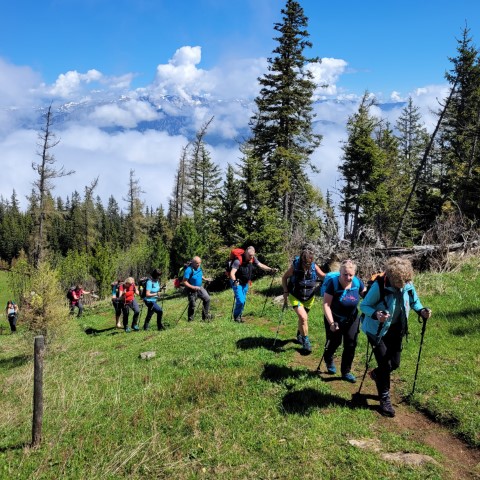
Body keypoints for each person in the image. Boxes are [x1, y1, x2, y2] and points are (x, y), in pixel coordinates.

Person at [360, 257, 432, 417]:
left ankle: (377, 375)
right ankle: (384, 399)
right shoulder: (380, 285)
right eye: (399, 281)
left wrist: (422, 311)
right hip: (376, 329)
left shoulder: (407, 284)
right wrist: (376, 314)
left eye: (405, 281)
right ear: (391, 277)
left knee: (395, 363)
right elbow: (364, 305)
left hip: (397, 328)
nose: (402, 285)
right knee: (385, 364)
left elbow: (415, 301)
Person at [322, 259, 366, 381]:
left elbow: (366, 296)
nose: (348, 277)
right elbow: (326, 304)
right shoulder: (333, 283)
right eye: (345, 274)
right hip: (334, 318)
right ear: (340, 273)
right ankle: (328, 357)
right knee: (335, 342)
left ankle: (346, 371)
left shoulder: (357, 282)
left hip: (352, 318)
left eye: (351, 275)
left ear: (354, 274)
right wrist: (331, 323)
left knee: (351, 344)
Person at [282, 249, 325, 353]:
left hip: (309, 298)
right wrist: (285, 291)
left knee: (302, 319)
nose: (307, 266)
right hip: (295, 296)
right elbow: (284, 277)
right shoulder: (295, 267)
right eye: (305, 263)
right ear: (301, 261)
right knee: (303, 317)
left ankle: (300, 334)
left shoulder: (314, 267)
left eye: (309, 263)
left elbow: (324, 277)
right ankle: (305, 341)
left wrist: (339, 277)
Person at [229, 246, 277, 323]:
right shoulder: (238, 261)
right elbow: (232, 273)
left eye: (252, 255)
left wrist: (271, 269)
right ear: (245, 253)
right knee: (241, 300)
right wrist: (235, 281)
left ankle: (239, 316)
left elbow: (261, 265)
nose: (251, 257)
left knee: (243, 300)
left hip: (245, 283)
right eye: (249, 255)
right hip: (237, 282)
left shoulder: (252, 258)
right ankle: (236, 317)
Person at [182, 256, 212, 322]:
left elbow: (199, 275)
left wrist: (205, 279)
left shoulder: (199, 268)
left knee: (207, 299)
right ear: (193, 263)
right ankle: (190, 320)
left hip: (200, 287)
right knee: (192, 305)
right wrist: (193, 287)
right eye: (197, 263)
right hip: (191, 289)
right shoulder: (189, 270)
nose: (199, 264)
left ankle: (205, 317)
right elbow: (184, 281)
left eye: (200, 263)